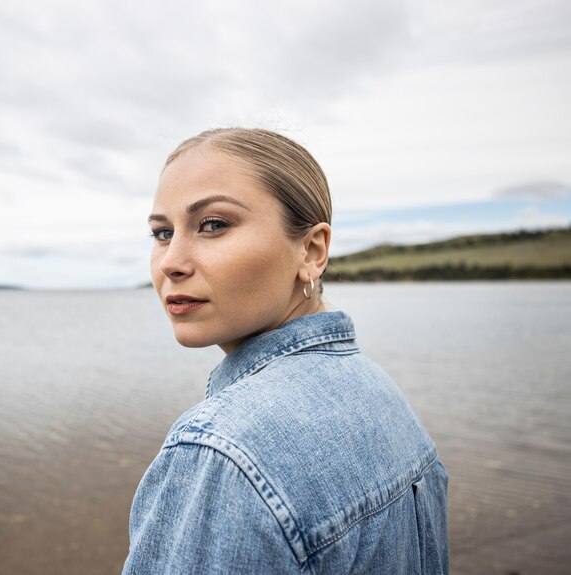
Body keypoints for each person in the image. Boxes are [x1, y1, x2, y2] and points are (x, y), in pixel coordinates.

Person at [122, 128, 449, 574]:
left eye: (213, 224)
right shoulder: (381, 393)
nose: (170, 263)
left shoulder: (221, 452)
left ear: (312, 251)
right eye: (162, 232)